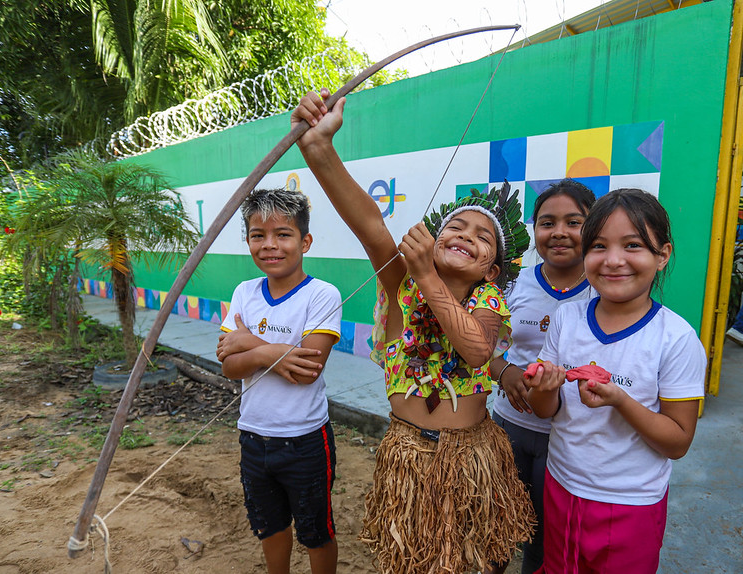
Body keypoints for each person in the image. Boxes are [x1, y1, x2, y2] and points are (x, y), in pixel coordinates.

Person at [292, 89, 535, 574]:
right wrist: (318, 149)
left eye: (482, 236)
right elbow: (368, 221)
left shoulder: (490, 303)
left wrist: (428, 275)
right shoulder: (402, 284)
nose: (465, 234)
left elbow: (475, 349)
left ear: (492, 270)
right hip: (409, 455)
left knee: (480, 562)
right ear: (433, 236)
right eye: (455, 227)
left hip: (473, 459)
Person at [525, 188, 706, 573]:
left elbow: (677, 442)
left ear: (663, 256)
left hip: (630, 503)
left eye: (633, 245)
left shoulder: (675, 339)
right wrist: (544, 389)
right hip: (562, 485)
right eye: (599, 246)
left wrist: (620, 400)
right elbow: (546, 412)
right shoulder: (567, 319)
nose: (613, 260)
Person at [216, 187, 342, 574]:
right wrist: (275, 353)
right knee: (269, 525)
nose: (269, 245)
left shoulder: (321, 294)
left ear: (304, 241)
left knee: (315, 531)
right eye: (258, 235)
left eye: (283, 234)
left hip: (304, 439)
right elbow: (228, 367)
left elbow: (307, 371)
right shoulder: (244, 292)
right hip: (253, 435)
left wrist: (252, 347)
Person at [489, 179, 596, 574]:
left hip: (567, 439)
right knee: (495, 527)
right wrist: (505, 372)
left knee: (544, 538)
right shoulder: (515, 282)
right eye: (547, 222)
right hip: (508, 427)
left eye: (574, 222)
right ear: (534, 230)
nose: (559, 233)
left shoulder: (606, 291)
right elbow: (482, 353)